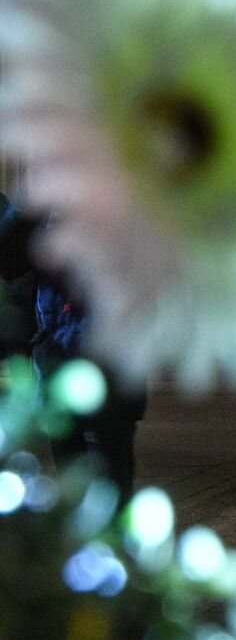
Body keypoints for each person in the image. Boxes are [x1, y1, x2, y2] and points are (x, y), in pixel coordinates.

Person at [0, 207, 146, 504]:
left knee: (111, 454)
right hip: (59, 347)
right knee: (69, 455)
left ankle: (113, 532)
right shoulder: (46, 206)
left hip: (110, 350)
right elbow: (9, 260)